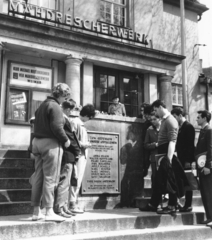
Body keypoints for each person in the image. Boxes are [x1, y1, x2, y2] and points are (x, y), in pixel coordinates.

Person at [30, 83, 71, 222]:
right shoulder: (55, 107)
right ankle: (49, 211)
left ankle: (36, 212)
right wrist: (66, 140)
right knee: (50, 178)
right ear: (61, 94)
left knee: (38, 177)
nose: (65, 99)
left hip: (37, 142)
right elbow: (57, 127)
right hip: (50, 144)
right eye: (65, 96)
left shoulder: (41, 105)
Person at [140, 100, 188, 214]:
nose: (156, 113)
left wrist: (168, 159)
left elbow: (172, 141)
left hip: (167, 153)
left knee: (168, 180)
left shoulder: (170, 121)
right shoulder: (165, 120)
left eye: (156, 110)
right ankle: (154, 204)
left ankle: (171, 206)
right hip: (163, 153)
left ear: (161, 107)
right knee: (160, 180)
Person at [54, 100, 81, 218]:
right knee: (64, 182)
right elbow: (71, 137)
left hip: (67, 154)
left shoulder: (63, 119)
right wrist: (77, 151)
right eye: (71, 110)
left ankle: (64, 206)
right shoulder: (64, 119)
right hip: (68, 154)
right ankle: (59, 207)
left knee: (67, 181)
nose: (71, 112)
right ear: (68, 109)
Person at [68, 104, 96, 213]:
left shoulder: (79, 123)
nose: (89, 120)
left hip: (81, 155)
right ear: (86, 115)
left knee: (77, 180)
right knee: (75, 179)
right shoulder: (75, 122)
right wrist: (85, 144)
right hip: (78, 155)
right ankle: (72, 204)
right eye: (90, 117)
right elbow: (71, 139)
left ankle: (73, 203)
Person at [171, 107, 195, 212]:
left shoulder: (188, 126)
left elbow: (190, 146)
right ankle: (182, 203)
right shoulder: (180, 127)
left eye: (175, 117)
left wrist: (188, 161)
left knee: (188, 182)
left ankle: (188, 204)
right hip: (180, 159)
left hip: (186, 160)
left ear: (180, 116)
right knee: (181, 181)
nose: (174, 119)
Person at [195, 110, 212, 227]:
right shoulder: (203, 131)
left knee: (208, 192)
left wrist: (208, 166)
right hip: (201, 166)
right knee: (205, 192)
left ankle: (210, 217)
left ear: (205, 118)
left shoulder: (209, 131)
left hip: (206, 168)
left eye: (199, 117)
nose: (197, 119)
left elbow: (211, 149)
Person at [144, 113, 161, 191]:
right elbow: (146, 145)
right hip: (154, 157)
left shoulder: (164, 128)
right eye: (151, 120)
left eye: (155, 119)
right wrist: (155, 145)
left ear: (159, 119)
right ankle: (155, 195)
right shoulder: (149, 130)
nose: (153, 121)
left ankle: (166, 194)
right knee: (155, 176)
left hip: (164, 156)